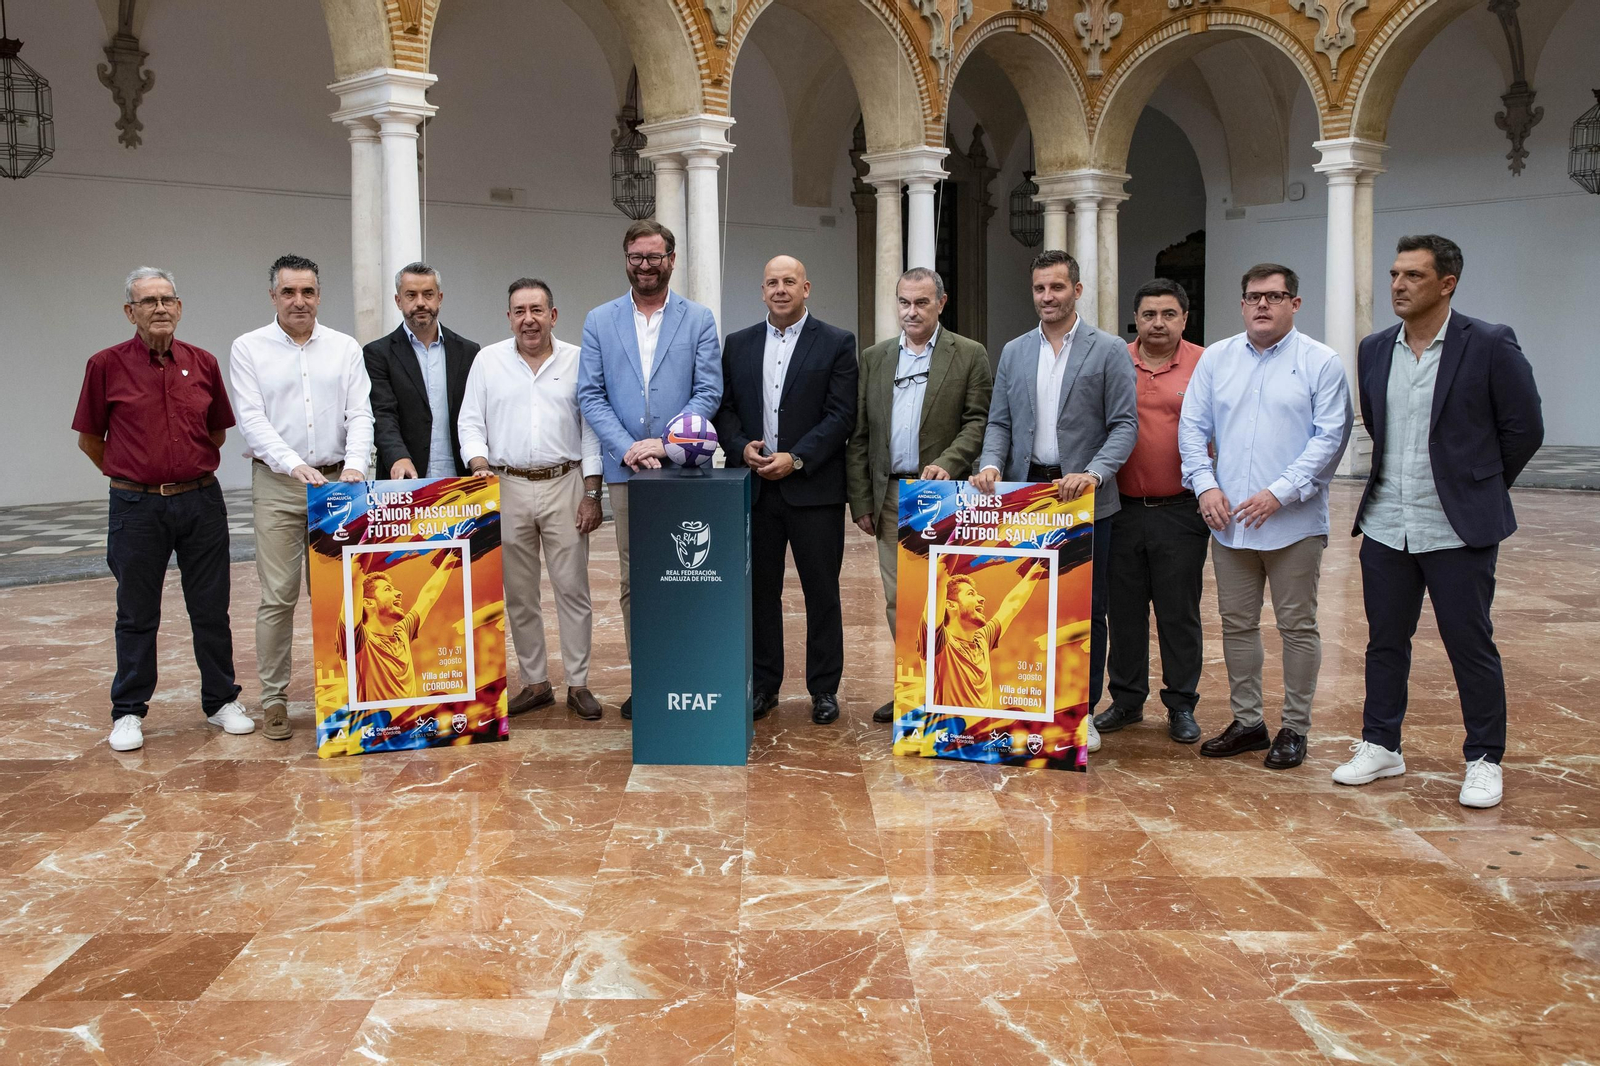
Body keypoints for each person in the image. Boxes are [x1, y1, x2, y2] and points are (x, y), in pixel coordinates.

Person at [1332, 235, 1543, 808]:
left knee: (1469, 643)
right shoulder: (1375, 348)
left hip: (1457, 527)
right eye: (1395, 274)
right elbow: (1376, 422)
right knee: (1384, 642)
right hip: (1385, 523)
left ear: (1447, 283)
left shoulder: (1491, 344)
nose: (1397, 286)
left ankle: (1483, 758)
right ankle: (1381, 744)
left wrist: (1478, 485)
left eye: (1413, 277)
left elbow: (1525, 429)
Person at [73, 267, 256, 752]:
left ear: (179, 308)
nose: (159, 308)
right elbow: (91, 440)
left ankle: (221, 701)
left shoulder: (202, 362)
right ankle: (128, 712)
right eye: (148, 301)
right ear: (129, 312)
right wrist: (133, 474)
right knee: (136, 612)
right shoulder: (105, 365)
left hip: (200, 500)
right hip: (136, 506)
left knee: (211, 608)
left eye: (167, 300)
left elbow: (216, 431)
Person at [1178, 263, 1352, 770]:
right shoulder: (1217, 359)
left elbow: (1329, 438)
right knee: (1237, 624)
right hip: (1228, 521)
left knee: (1297, 626)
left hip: (1293, 523)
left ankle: (1295, 728)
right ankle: (1248, 722)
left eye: (1274, 297)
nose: (1262, 305)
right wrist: (1205, 485)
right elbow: (1192, 428)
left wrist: (1280, 492)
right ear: (1242, 303)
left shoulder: (1320, 362)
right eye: (1253, 296)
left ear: (1294, 304)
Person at [971, 250, 1139, 753]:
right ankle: (1025, 703)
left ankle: (1079, 711)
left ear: (1077, 291)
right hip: (1024, 496)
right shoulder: (1015, 351)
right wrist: (991, 464)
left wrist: (1093, 473)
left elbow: (1124, 425)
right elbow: (999, 421)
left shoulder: (1107, 350)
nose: (1048, 297)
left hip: (1083, 499)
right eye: (1040, 288)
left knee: (1084, 611)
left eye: (1057, 288)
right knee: (1025, 604)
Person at [577, 221, 722, 720]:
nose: (645, 265)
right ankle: (650, 679)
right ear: (626, 260)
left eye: (654, 256)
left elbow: (709, 390)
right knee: (636, 579)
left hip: (684, 470)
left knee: (690, 573)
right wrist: (629, 448)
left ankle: (690, 675)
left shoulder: (698, 318)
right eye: (636, 257)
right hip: (627, 472)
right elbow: (590, 395)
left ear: (671, 259)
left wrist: (667, 442)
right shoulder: (599, 320)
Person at [231, 254, 373, 741]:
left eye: (307, 292)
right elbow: (252, 420)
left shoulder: (344, 347)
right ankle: (273, 699)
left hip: (338, 485)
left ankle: (344, 695)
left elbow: (361, 414)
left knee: (338, 597)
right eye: (289, 292)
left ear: (318, 295)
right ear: (273, 296)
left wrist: (355, 465)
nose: (299, 301)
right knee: (278, 595)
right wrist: (294, 465)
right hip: (279, 484)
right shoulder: (248, 348)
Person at [715, 256, 857, 726]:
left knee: (822, 593)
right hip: (756, 488)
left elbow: (841, 415)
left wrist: (794, 458)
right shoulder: (738, 344)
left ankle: (823, 689)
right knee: (760, 593)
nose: (780, 289)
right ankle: (764, 685)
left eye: (789, 281)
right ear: (762, 291)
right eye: (772, 282)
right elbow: (726, 410)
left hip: (813, 489)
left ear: (806, 287)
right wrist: (741, 448)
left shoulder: (836, 342)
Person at [845, 268, 991, 724]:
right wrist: (862, 500)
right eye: (904, 302)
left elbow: (978, 421)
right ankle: (914, 688)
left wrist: (949, 461)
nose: (911, 311)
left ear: (941, 303)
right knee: (900, 597)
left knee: (948, 592)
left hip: (946, 496)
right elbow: (860, 434)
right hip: (891, 495)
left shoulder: (969, 354)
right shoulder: (875, 357)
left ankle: (948, 689)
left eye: (922, 302)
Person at [460, 278, 605, 721]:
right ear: (508, 317)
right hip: (506, 486)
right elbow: (470, 423)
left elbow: (591, 429)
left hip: (566, 482)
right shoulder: (487, 362)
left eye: (537, 310)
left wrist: (593, 493)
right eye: (520, 310)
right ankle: (536, 682)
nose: (529, 319)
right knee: (519, 594)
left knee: (572, 589)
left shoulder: (580, 361)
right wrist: (479, 463)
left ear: (553, 315)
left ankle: (578, 684)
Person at [1097, 279, 1210, 746]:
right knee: (1122, 611)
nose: (1157, 323)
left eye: (1168, 314)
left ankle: (1181, 703)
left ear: (1185, 318)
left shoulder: (1206, 364)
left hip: (1180, 510)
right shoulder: (1114, 360)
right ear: (1136, 319)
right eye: (1148, 314)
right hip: (1118, 508)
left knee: (1177, 611)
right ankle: (1126, 699)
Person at [364, 262, 480, 479]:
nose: (420, 303)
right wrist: (398, 457)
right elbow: (382, 414)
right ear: (398, 301)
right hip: (404, 481)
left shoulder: (468, 352)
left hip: (460, 481)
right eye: (411, 295)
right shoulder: (378, 354)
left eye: (428, 294)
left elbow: (475, 415)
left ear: (440, 298)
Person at [342, 551, 462, 703]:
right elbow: (354, 581)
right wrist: (370, 532)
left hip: (407, 725)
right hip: (375, 725)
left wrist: (451, 556)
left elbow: (429, 595)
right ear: (368, 602)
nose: (399, 593)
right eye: (388, 589)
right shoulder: (356, 640)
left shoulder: (401, 633)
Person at [930, 561, 1050, 710]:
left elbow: (1012, 605)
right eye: (971, 594)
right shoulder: (938, 642)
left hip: (980, 732)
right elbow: (938, 580)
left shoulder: (982, 639)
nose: (981, 598)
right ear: (950, 605)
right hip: (947, 731)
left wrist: (1038, 566)